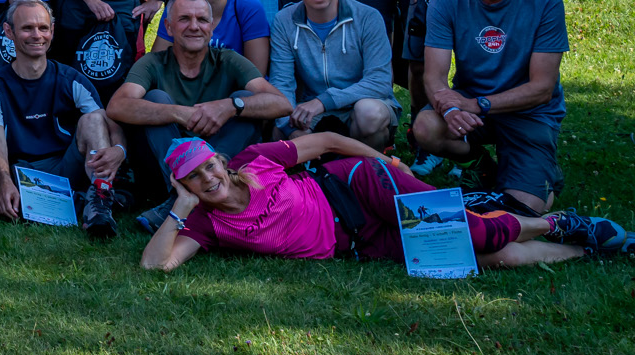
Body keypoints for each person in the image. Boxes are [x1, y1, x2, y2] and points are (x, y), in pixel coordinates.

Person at [140, 133, 628, 273]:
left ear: (221, 161)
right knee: (489, 257)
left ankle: (557, 223)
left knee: (475, 232)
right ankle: (588, 248)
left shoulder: (256, 160)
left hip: (358, 186)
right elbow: (155, 266)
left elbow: (328, 141)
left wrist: (389, 164)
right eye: (192, 178)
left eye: (208, 166)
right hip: (361, 242)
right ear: (183, 185)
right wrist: (180, 208)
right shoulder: (205, 223)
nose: (207, 179)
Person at [412, 0, 568, 213]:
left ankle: (540, 171)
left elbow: (542, 89)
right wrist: (450, 108)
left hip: (529, 113)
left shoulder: (545, 2)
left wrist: (476, 104)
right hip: (472, 104)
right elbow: (433, 76)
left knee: (527, 208)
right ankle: (482, 167)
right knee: (426, 126)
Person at [108, 0, 291, 222]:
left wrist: (230, 106)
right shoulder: (153, 63)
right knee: (155, 98)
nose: (194, 26)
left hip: (219, 160)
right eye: (184, 19)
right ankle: (184, 195)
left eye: (202, 20)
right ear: (169, 27)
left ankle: (181, 202)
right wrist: (178, 113)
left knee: (245, 99)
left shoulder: (228, 60)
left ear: (211, 27)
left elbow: (282, 104)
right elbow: (117, 106)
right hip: (166, 168)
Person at [0, 0, 125, 237]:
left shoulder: (70, 78)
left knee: (93, 120)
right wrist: (4, 181)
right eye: (27, 28)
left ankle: (99, 203)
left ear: (52, 31)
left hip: (66, 164)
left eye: (43, 28)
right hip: (23, 171)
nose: (37, 35)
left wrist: (120, 149)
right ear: (9, 32)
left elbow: (106, 121)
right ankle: (75, 203)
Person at [269, 0, 399, 148]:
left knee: (369, 114)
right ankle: (322, 161)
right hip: (313, 108)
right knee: (279, 129)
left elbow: (379, 81)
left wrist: (324, 101)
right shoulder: (284, 21)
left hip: (363, 102)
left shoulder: (368, 17)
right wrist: (290, 128)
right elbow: (282, 83)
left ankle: (368, 162)